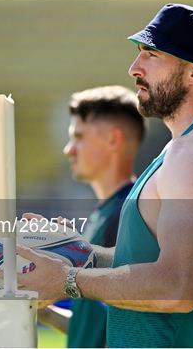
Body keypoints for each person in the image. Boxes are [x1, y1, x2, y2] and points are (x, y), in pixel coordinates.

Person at [0, 4, 193, 347]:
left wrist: (69, 280)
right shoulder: (188, 147)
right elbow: (147, 261)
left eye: (152, 54)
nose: (135, 68)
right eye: (139, 53)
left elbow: (179, 288)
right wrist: (78, 251)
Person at [38, 86, 145, 348]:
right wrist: (42, 311)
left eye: (78, 136)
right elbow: (96, 323)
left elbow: (134, 320)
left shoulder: (130, 212)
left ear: (113, 140)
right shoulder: (104, 213)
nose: (68, 150)